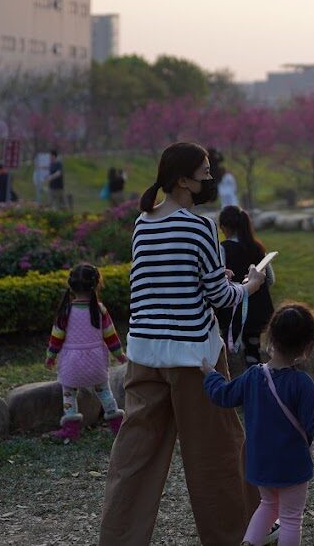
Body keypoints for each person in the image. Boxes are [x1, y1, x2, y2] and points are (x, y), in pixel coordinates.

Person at [99, 142, 269, 546]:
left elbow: (155, 286)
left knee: (133, 460)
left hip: (143, 354)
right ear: (183, 180)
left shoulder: (143, 223)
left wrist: (213, 277)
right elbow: (221, 298)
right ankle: (238, 533)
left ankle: (118, 538)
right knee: (216, 454)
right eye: (204, 172)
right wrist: (249, 285)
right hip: (195, 359)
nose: (209, 178)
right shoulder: (199, 226)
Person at [203, 303, 314, 546]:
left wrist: (210, 375)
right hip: (291, 466)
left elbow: (223, 395)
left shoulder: (252, 376)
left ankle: (249, 543)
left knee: (268, 505)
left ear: (270, 336)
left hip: (260, 464)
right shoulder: (302, 384)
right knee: (291, 518)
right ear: (307, 346)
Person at [44, 264, 127, 441]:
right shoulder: (100, 310)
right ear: (96, 284)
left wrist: (50, 357)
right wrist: (120, 355)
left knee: (69, 393)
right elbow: (111, 336)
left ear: (71, 286)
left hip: (72, 366)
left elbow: (56, 338)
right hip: (96, 365)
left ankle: (71, 430)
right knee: (105, 392)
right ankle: (117, 426)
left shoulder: (65, 311)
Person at [215, 205, 275, 371]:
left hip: (232, 311)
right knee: (252, 349)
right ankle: (256, 378)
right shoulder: (257, 247)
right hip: (257, 311)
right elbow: (270, 279)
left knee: (230, 350)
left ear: (224, 227)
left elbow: (217, 281)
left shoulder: (222, 249)